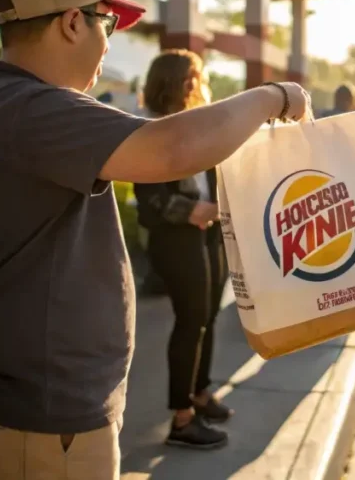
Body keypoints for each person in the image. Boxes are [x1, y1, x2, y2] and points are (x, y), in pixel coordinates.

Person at [0, 0, 310, 480]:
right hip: (37, 421)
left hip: (19, 406)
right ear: (74, 22)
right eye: (108, 21)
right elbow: (169, 151)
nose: (108, 38)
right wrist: (272, 96)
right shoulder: (30, 109)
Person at [134, 50, 231, 450]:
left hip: (208, 233)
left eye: (196, 76)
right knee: (191, 320)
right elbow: (149, 200)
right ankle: (182, 417)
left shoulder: (198, 124)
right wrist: (193, 210)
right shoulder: (149, 130)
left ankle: (201, 393)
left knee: (207, 316)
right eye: (185, 77)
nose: (193, 84)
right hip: (177, 239)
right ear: (166, 82)